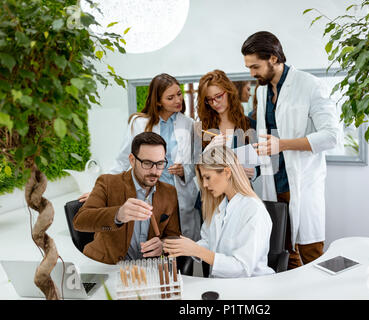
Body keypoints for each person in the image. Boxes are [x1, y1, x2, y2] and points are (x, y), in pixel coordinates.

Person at [241, 31, 339, 269]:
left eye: (255, 66)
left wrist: (282, 144)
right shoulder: (263, 90)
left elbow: (331, 136)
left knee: (311, 254)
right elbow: (269, 135)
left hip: (302, 185)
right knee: (283, 255)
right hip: (273, 186)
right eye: (249, 68)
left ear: (273, 58)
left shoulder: (311, 85)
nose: (252, 74)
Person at [79, 73, 201, 241]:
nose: (178, 100)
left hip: (181, 196)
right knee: (153, 242)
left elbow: (197, 163)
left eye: (179, 94)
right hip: (151, 193)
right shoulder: (139, 123)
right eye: (170, 97)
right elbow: (122, 160)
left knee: (180, 242)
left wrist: (184, 170)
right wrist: (99, 190)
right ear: (158, 101)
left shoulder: (189, 124)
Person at [163, 145, 274, 278]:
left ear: (227, 172)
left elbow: (242, 268)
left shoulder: (253, 210)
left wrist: (196, 250)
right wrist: (176, 246)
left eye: (207, 177)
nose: (204, 185)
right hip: (221, 285)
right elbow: (208, 242)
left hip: (249, 287)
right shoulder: (220, 207)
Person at [73, 132, 181, 264]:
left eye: (160, 163)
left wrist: (163, 245)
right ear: (132, 160)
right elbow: (80, 221)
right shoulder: (107, 182)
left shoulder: (169, 192)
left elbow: (173, 235)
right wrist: (118, 215)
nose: (154, 171)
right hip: (107, 266)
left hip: (147, 272)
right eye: (147, 163)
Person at [196, 69, 257, 179]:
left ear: (229, 92)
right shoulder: (201, 128)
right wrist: (208, 150)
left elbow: (263, 159)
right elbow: (194, 169)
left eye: (218, 96)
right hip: (211, 191)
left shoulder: (249, 124)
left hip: (241, 189)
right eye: (209, 100)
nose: (214, 103)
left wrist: (254, 172)